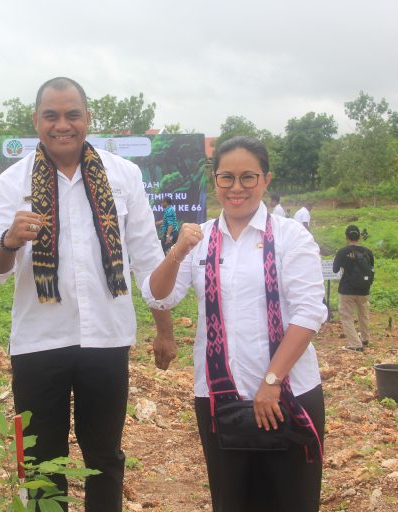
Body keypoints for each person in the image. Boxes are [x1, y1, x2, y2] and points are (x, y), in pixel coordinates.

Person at [0, 77, 175, 512]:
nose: (61, 125)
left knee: (105, 457)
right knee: (43, 462)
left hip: (106, 339)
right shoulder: (13, 182)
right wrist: (10, 240)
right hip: (38, 342)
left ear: (87, 119)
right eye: (51, 116)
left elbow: (147, 258)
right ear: (36, 121)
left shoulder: (124, 176)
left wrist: (165, 331)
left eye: (72, 115)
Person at [145, 136, 327, 512]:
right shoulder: (200, 238)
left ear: (266, 179)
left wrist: (271, 383)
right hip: (218, 399)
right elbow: (158, 296)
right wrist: (177, 252)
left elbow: (309, 313)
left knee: (292, 500)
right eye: (227, 178)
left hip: (287, 394)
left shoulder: (292, 237)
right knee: (231, 501)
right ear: (215, 180)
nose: (237, 188)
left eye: (248, 177)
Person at [333, 225, 374, 352]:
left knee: (346, 316)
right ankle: (365, 338)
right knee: (364, 314)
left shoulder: (342, 251)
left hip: (347, 290)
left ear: (346, 237)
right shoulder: (367, 251)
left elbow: (335, 270)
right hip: (364, 289)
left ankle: (355, 344)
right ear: (360, 236)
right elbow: (371, 267)